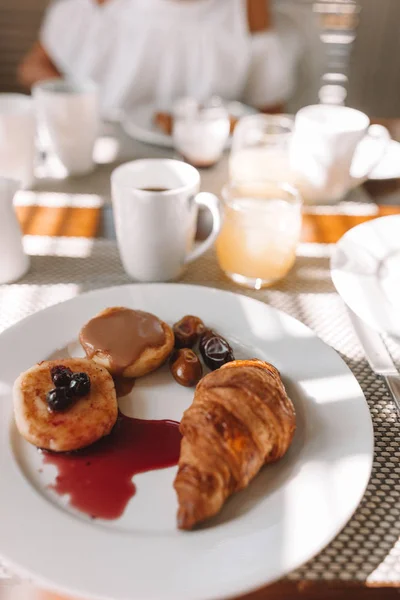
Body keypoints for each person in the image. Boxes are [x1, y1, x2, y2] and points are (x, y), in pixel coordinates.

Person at [18, 0, 323, 119]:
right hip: (98, 152)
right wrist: (76, 100)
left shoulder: (247, 6)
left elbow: (269, 108)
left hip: (204, 162)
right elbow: (32, 68)